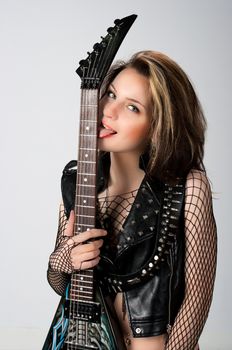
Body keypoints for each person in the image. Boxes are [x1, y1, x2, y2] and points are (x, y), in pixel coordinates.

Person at [47, 51, 217, 350]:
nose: (108, 111)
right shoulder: (77, 183)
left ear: (157, 127)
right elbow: (64, 288)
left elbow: (197, 299)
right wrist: (60, 261)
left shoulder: (188, 187)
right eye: (110, 93)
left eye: (132, 107)